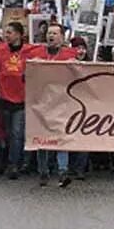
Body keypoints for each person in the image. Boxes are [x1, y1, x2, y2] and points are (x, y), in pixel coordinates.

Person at [31, 24, 76, 186]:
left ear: (62, 37)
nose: (51, 36)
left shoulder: (70, 55)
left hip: (62, 103)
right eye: (49, 33)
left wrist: (74, 67)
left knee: (61, 138)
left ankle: (63, 172)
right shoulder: (36, 54)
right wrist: (32, 66)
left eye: (55, 33)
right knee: (42, 139)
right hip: (42, 103)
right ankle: (43, 172)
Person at [0, 21, 30, 179]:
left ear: (19, 34)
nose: (6, 36)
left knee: (17, 133)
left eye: (10, 32)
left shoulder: (29, 51)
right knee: (6, 133)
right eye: (5, 33)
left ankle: (14, 164)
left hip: (22, 100)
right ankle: (6, 161)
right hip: (4, 99)